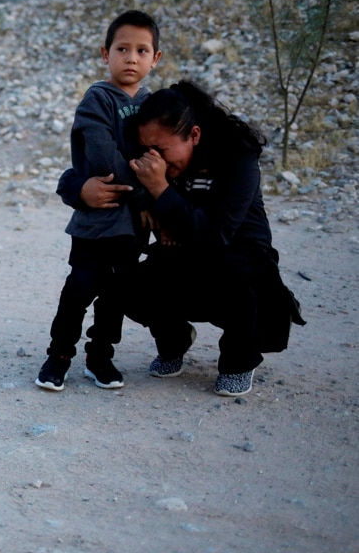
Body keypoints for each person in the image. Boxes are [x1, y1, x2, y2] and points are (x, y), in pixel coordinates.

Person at [122, 80, 304, 396]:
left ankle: (239, 360)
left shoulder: (238, 157)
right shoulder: (160, 163)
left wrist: (160, 191)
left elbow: (216, 235)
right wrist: (143, 200)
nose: (156, 162)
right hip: (187, 254)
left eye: (162, 150)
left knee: (240, 282)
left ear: (194, 135)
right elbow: (124, 176)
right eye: (148, 151)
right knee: (128, 282)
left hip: (240, 260)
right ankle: (175, 341)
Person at [35, 10, 162, 392]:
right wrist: (146, 190)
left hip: (132, 226)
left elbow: (161, 156)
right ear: (105, 54)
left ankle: (100, 358)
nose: (131, 58)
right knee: (79, 288)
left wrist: (154, 200)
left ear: (155, 59)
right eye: (123, 49)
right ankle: (58, 356)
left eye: (142, 51)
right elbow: (105, 157)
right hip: (97, 218)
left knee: (115, 296)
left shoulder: (155, 104)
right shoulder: (97, 99)